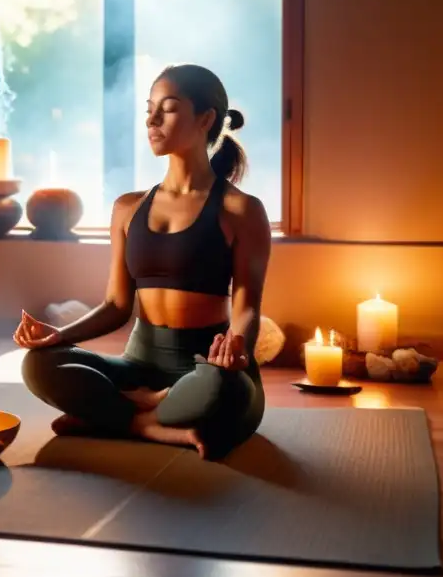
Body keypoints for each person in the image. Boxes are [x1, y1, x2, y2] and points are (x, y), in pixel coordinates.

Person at [15, 64, 272, 460]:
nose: (151, 119)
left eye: (166, 109)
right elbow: (117, 306)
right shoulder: (128, 208)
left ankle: (110, 416)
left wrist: (237, 349)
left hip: (205, 367)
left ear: (205, 119)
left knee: (226, 390)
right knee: (38, 366)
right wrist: (60, 336)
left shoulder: (241, 210)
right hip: (137, 365)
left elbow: (247, 305)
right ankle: (148, 421)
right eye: (149, 107)